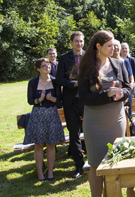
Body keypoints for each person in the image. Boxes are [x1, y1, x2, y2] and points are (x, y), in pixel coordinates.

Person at [78, 30, 131, 197]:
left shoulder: (118, 64)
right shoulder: (86, 67)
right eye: (109, 46)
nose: (113, 48)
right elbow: (85, 97)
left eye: (114, 45)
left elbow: (129, 88)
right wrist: (107, 95)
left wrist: (123, 94)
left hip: (116, 121)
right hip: (95, 123)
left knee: (115, 161)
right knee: (95, 164)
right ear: (98, 46)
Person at [24, 58, 65, 181]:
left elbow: (60, 100)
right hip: (38, 115)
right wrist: (39, 100)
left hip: (52, 113)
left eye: (48, 66)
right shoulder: (32, 83)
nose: (47, 68)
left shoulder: (55, 81)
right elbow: (30, 101)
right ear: (38, 69)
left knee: (51, 144)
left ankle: (51, 172)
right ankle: (40, 173)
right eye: (44, 66)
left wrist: (53, 99)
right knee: (39, 144)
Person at [56, 31, 85, 178]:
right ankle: (79, 166)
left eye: (81, 41)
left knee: (90, 131)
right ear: (71, 42)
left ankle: (92, 161)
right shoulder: (64, 58)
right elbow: (59, 79)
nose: (79, 44)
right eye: (76, 41)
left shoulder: (88, 56)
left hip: (87, 100)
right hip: (70, 101)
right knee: (74, 134)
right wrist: (72, 84)